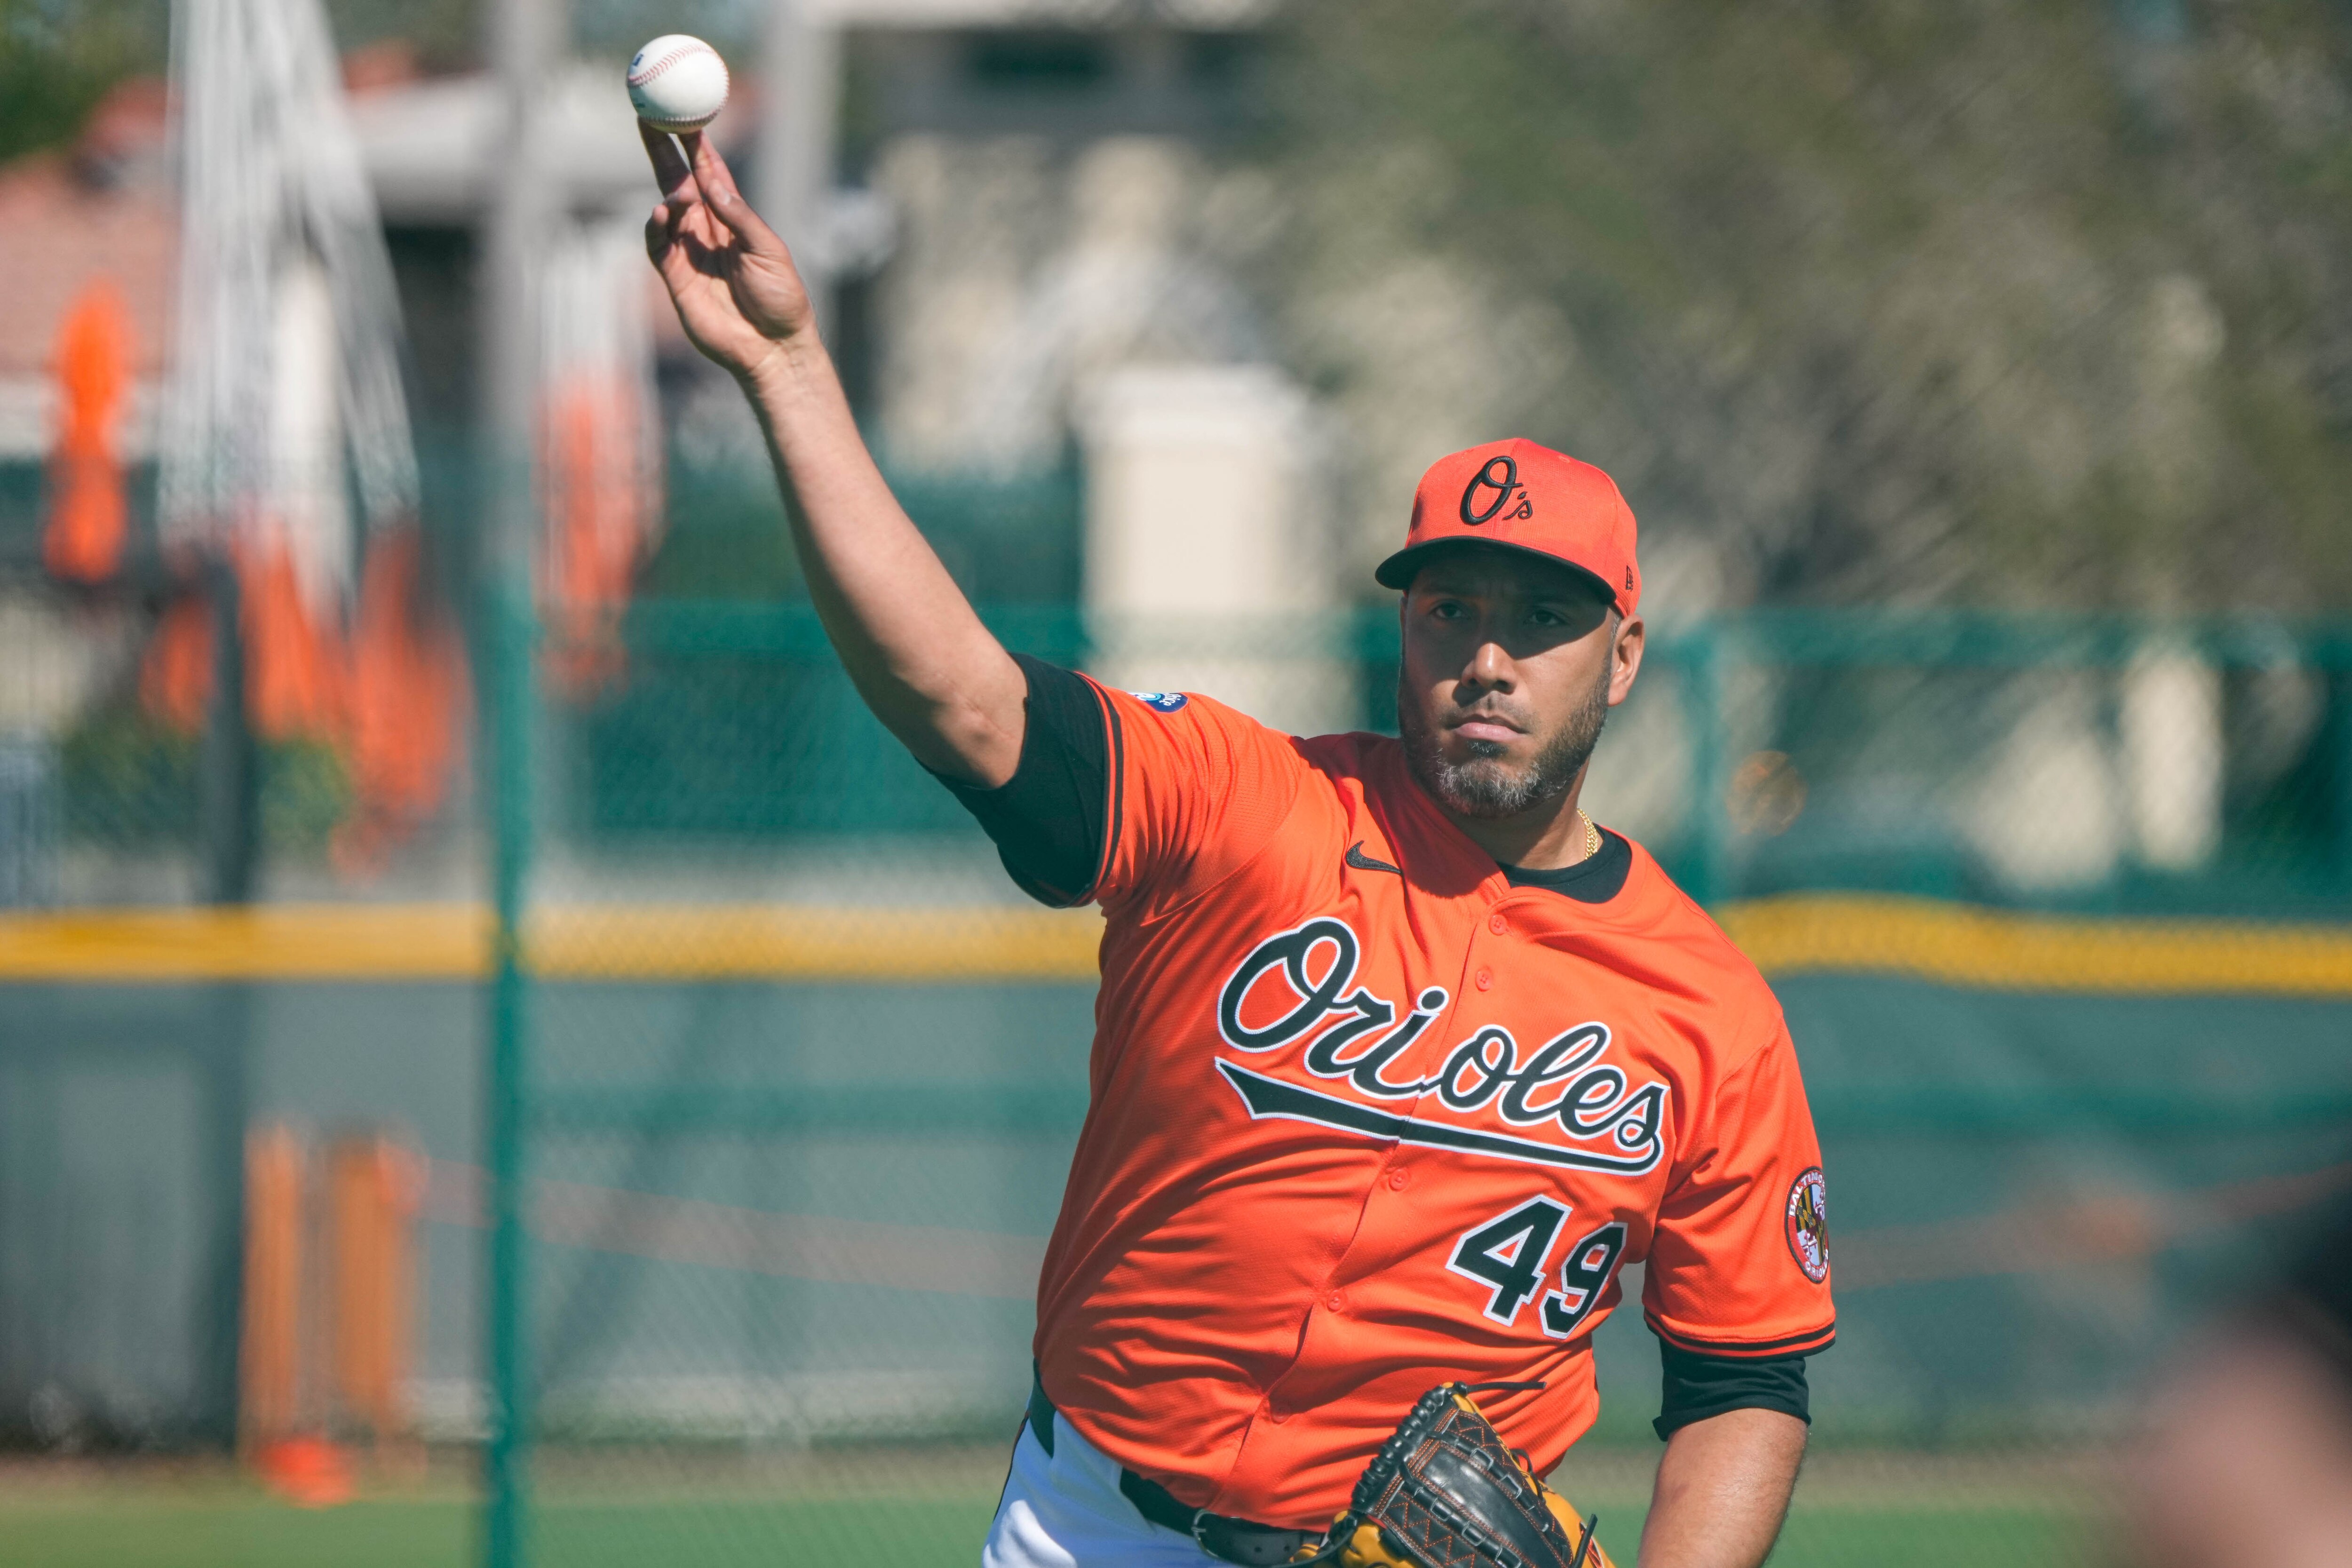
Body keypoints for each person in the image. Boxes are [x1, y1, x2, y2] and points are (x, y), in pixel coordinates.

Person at [639, 125, 1834, 1568]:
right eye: (1451, 609)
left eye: (1544, 618)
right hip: (1097, 1528)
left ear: (1625, 656)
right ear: (1402, 626)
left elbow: (1744, 1372)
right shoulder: (1243, 805)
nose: (1491, 658)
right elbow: (960, 693)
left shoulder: (1710, 1014)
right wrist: (786, 371)